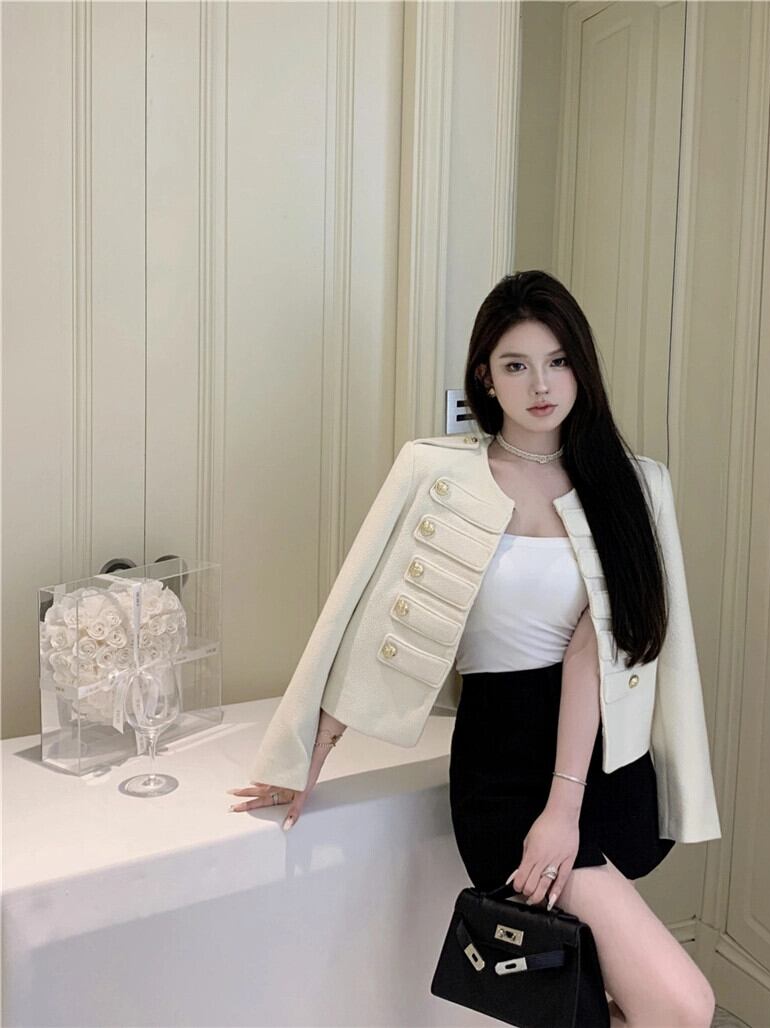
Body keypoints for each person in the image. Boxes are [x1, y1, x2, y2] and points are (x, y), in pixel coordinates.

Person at [229, 271, 720, 1027]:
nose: (541, 385)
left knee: (594, 1001)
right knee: (679, 1004)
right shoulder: (437, 472)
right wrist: (305, 756)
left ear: (582, 367)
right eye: (516, 364)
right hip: (501, 768)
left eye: (558, 361)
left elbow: (596, 652)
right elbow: (368, 619)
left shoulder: (632, 484)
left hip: (596, 766)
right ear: (485, 378)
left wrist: (564, 808)